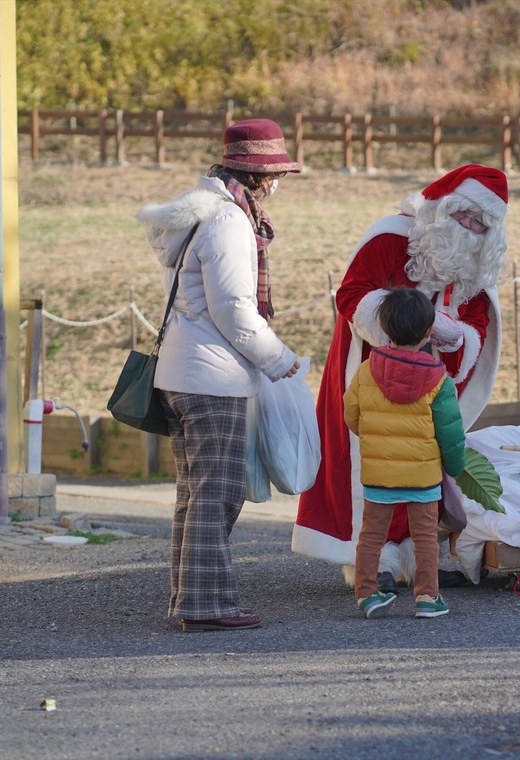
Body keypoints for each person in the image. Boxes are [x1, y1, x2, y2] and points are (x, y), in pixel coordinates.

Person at [292, 164, 509, 590]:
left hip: (428, 384)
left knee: (419, 471)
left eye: (480, 224)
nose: (469, 228)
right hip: (371, 371)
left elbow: (479, 327)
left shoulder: (477, 264)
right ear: (443, 209)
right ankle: (369, 562)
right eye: (464, 216)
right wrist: (409, 323)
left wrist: (453, 335)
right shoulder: (390, 236)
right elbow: (352, 295)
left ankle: (416, 557)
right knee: (369, 466)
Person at [136, 118, 301, 632]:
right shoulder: (228, 222)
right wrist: (280, 360)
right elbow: (234, 308)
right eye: (275, 176)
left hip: (182, 372)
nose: (277, 185)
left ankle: (190, 599)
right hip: (213, 378)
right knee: (218, 492)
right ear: (258, 177)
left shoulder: (194, 215)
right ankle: (207, 604)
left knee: (195, 493)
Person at [346, 287, 466, 619]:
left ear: (385, 330)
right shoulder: (438, 380)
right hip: (423, 477)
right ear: (429, 332)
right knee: (425, 536)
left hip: (379, 474)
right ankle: (427, 597)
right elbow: (450, 431)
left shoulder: (367, 371)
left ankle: (366, 594)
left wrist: (374, 438)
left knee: (371, 534)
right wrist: (455, 466)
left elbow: (351, 414)